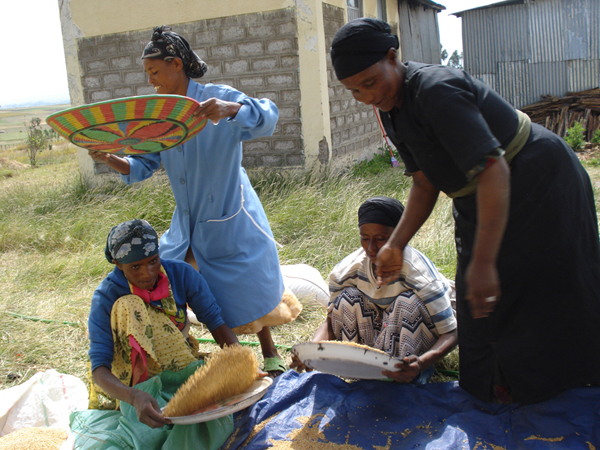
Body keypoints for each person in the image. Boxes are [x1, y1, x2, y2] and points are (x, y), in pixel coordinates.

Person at [329, 18, 600, 404]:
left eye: (370, 83)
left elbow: (494, 168)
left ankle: (563, 390)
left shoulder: (436, 90)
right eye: (353, 90)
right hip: (480, 194)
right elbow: (424, 182)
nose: (365, 97)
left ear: (393, 57)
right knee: (481, 299)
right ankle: (499, 390)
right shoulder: (391, 107)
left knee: (545, 286)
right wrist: (398, 244)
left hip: (536, 179)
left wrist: (486, 260)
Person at [89, 26, 301, 376]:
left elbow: (268, 116)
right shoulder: (162, 115)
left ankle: (268, 352)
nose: (152, 81)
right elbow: (144, 163)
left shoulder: (215, 98)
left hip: (229, 211)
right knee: (172, 280)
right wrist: (110, 159)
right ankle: (188, 352)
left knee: (242, 284)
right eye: (148, 75)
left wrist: (230, 109)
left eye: (155, 72)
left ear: (175, 64)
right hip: (188, 220)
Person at [88, 219, 242, 434]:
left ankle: (174, 384)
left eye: (153, 261)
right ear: (117, 263)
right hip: (130, 382)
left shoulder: (181, 274)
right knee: (129, 305)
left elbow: (214, 321)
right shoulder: (106, 296)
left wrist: (242, 361)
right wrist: (134, 396)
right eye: (135, 267)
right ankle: (148, 390)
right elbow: (99, 367)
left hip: (178, 362)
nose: (147, 272)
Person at [291, 197, 457, 384]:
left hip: (418, 343)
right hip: (379, 331)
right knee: (347, 299)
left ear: (400, 236)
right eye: (364, 238)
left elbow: (451, 333)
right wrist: (311, 351)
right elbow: (330, 322)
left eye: (381, 239)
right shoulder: (346, 271)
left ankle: (407, 374)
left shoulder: (421, 275)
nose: (371, 248)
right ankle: (361, 369)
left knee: (407, 303)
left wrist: (420, 363)